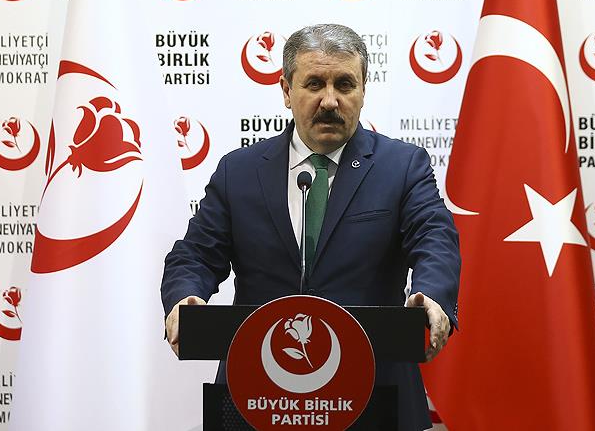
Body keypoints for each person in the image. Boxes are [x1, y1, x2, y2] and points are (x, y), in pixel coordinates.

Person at [161, 24, 461, 430]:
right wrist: (185, 297)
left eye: (345, 84)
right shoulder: (239, 171)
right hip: (257, 395)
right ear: (286, 90)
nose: (330, 101)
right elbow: (195, 254)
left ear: (363, 91)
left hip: (373, 397)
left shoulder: (402, 167)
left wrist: (433, 295)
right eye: (315, 84)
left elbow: (434, 238)